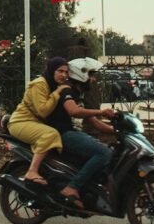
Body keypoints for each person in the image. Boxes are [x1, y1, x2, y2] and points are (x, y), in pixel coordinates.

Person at [47, 57, 118, 208]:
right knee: (104, 153)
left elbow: (94, 122)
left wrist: (118, 131)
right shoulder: (67, 90)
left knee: (107, 150)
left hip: (71, 132)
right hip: (63, 134)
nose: (93, 79)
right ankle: (72, 187)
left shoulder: (78, 94)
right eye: (91, 75)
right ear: (81, 74)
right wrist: (101, 110)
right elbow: (73, 111)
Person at [7, 57, 73, 186]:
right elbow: (43, 110)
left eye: (66, 72)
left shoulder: (52, 84)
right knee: (50, 134)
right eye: (60, 71)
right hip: (20, 122)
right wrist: (58, 92)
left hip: (34, 123)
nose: (64, 75)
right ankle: (32, 171)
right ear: (52, 70)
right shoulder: (40, 84)